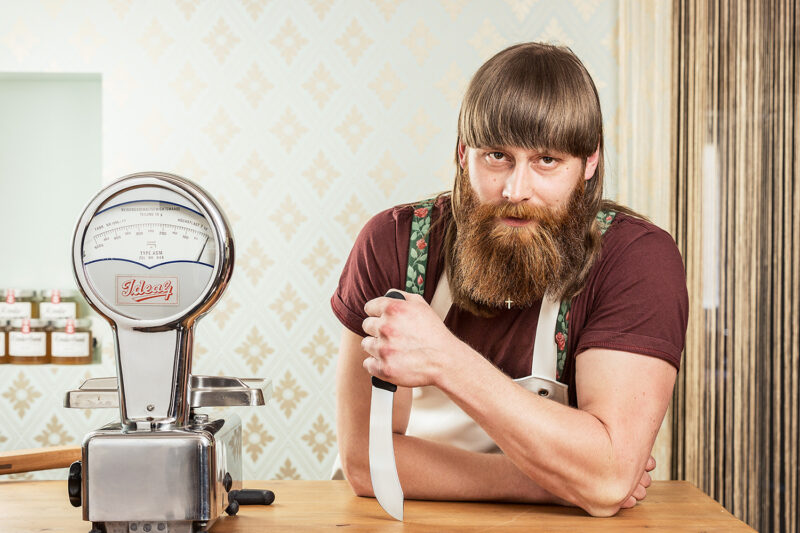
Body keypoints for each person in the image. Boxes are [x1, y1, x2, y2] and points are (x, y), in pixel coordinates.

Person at [330, 42, 688, 517]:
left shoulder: (636, 260)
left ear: (590, 162)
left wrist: (446, 360)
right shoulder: (394, 243)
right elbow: (366, 462)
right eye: (496, 156)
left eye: (547, 161)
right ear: (463, 153)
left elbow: (607, 473)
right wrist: (555, 483)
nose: (516, 191)